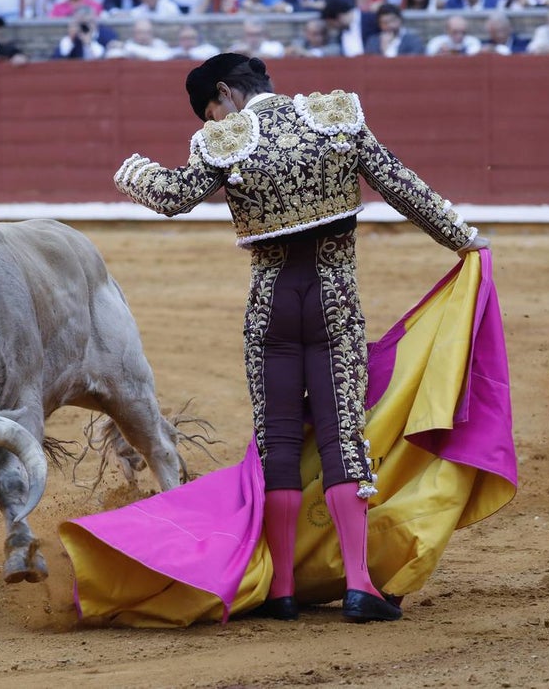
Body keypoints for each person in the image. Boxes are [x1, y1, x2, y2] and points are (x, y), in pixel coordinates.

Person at [113, 53, 487, 623]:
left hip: (271, 309)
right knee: (343, 436)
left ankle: (283, 587)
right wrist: (465, 242)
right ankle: (360, 585)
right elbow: (402, 186)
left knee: (279, 439)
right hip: (335, 301)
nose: (212, 124)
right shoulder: (334, 117)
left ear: (226, 93)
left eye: (210, 112)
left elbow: (171, 196)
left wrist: (131, 170)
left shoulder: (228, 139)